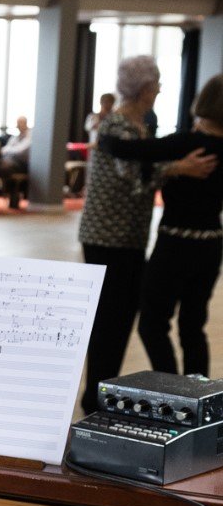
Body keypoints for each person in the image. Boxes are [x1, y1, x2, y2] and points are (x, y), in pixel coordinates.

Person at [78, 55, 216, 412]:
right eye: (156, 83)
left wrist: (172, 166)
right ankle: (94, 395)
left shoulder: (140, 124)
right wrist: (178, 168)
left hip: (129, 237)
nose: (159, 90)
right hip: (108, 237)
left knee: (125, 316)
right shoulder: (120, 126)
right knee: (112, 317)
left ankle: (103, 391)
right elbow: (133, 176)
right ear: (144, 88)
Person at [0, 115, 31, 209]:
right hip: (8, 162)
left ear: (25, 123)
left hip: (20, 165)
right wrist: (9, 150)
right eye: (17, 123)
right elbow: (4, 150)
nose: (18, 125)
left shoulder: (30, 136)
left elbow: (20, 151)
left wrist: (9, 150)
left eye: (20, 123)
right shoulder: (15, 137)